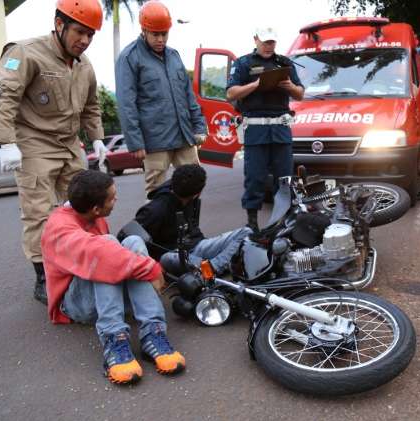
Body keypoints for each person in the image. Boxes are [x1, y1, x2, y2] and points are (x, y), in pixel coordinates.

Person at [0, 0, 106, 305]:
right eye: (80, 32)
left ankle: (82, 264)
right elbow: (3, 96)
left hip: (68, 143)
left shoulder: (85, 65)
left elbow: (91, 107)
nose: (85, 40)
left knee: (84, 205)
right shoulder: (25, 53)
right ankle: (44, 276)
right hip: (33, 141)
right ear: (59, 24)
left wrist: (97, 140)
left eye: (90, 35)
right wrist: (6, 141)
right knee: (39, 211)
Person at [41, 170, 186, 385]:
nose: (116, 199)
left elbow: (117, 258)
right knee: (106, 248)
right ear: (96, 208)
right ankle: (113, 338)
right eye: (112, 197)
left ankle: (152, 332)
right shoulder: (59, 228)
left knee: (133, 242)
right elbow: (103, 256)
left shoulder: (91, 214)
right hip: (76, 306)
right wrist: (152, 269)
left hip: (105, 295)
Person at [115, 0, 207, 197]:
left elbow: (188, 95)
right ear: (144, 30)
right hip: (154, 139)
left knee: (195, 184)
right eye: (155, 34)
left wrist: (199, 126)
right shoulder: (129, 57)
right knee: (156, 194)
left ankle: (190, 228)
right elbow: (126, 103)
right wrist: (135, 141)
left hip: (184, 135)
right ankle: (160, 229)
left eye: (164, 33)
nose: (160, 39)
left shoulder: (174, 56)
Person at [226, 26, 305, 231]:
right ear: (256, 39)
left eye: (272, 42)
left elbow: (300, 94)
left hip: (281, 130)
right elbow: (231, 94)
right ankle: (252, 224)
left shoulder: (284, 63)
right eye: (265, 42)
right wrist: (256, 85)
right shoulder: (243, 64)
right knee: (254, 179)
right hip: (256, 131)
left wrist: (289, 86)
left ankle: (285, 222)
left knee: (284, 179)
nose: (269, 46)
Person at [130, 164, 251, 275]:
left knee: (247, 232)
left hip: (198, 247)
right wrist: (152, 264)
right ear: (198, 193)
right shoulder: (155, 209)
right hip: (173, 255)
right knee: (170, 258)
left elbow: (194, 230)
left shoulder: (189, 196)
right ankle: (212, 267)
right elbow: (126, 237)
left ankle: (212, 267)